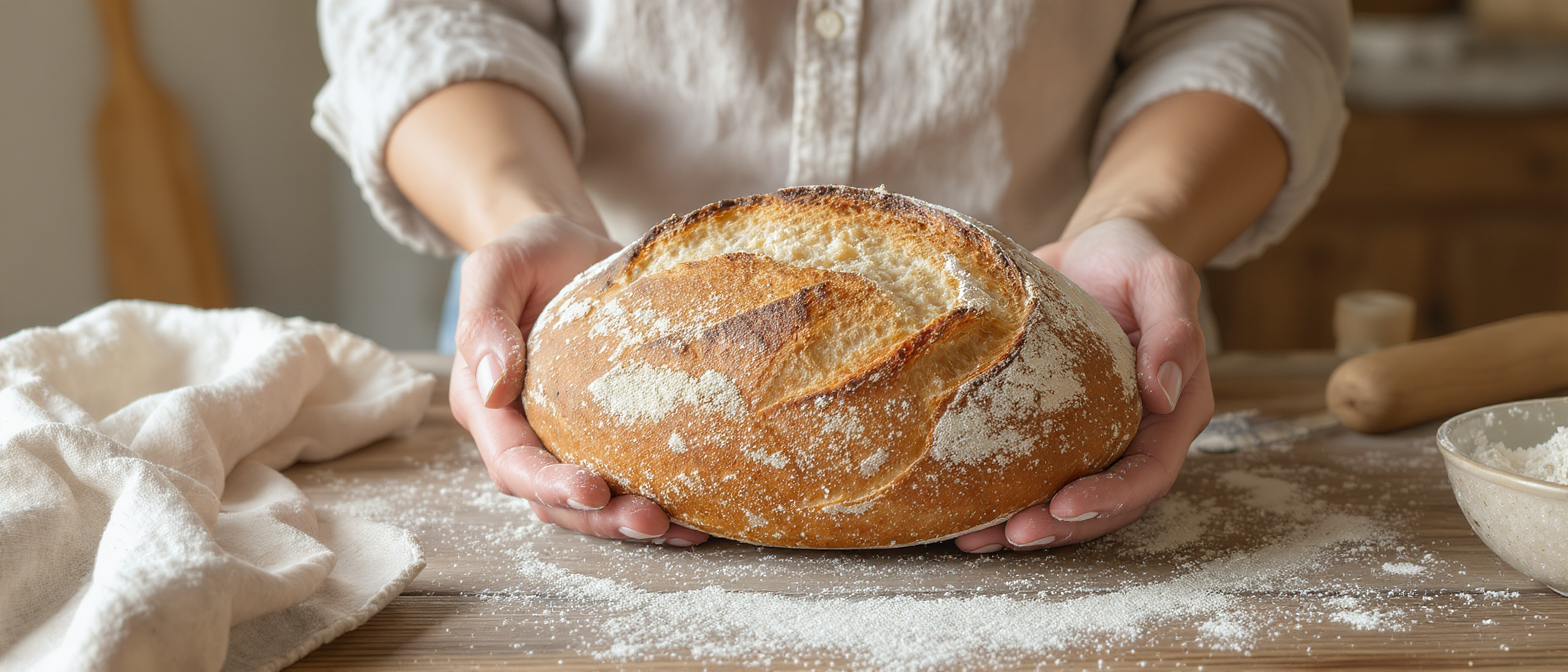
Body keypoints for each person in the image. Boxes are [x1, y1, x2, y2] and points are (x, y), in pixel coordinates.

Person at [313, 1, 1350, 552]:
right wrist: (518, 211)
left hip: (1053, 320)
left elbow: (1248, 17)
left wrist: (1139, 222)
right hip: (598, 323)